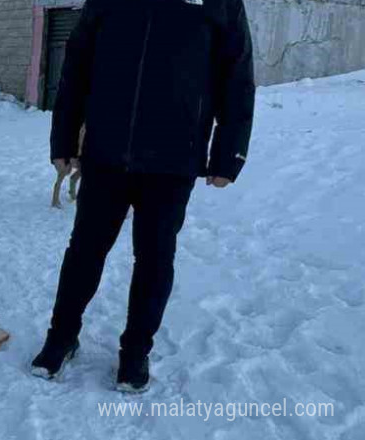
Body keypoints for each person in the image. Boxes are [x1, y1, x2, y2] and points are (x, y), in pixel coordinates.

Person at [31, 0, 255, 392]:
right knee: (84, 250)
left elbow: (236, 75)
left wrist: (228, 154)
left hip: (173, 159)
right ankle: (61, 337)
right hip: (105, 153)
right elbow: (77, 66)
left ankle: (135, 351)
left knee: (154, 258)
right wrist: (64, 138)